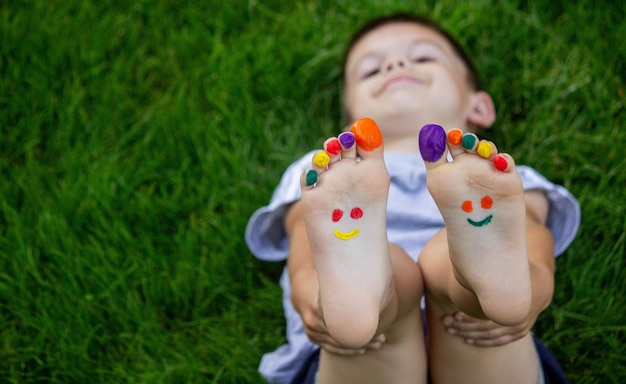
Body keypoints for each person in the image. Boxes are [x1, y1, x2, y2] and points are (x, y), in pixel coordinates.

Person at [246, 13, 580, 384]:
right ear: (348, 125)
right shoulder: (327, 175)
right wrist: (315, 302)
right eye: (371, 70)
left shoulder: (496, 176)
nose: (394, 64)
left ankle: (483, 289)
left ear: (479, 106)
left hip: (475, 330)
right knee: (391, 275)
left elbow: (531, 236)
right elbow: (306, 249)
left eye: (422, 57)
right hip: (356, 345)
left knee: (447, 267)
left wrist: (531, 293)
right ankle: (365, 298)